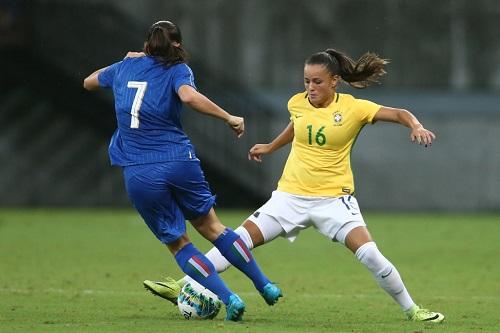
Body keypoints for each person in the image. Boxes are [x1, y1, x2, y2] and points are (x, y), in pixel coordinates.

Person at [143, 48, 445, 323]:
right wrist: (271, 147)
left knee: (370, 254)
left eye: (317, 82)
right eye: (306, 81)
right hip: (288, 198)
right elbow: (298, 125)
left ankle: (413, 310)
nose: (310, 88)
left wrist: (415, 126)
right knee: (237, 242)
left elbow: (399, 113)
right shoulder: (297, 102)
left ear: (335, 81)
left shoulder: (354, 108)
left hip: (333, 201)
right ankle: (182, 285)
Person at [82, 20, 282, 321]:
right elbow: (188, 96)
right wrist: (228, 117)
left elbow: (88, 82)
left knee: (179, 244)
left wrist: (127, 61)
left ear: (147, 44)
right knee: (214, 228)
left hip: (139, 170)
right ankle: (264, 284)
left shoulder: (123, 68)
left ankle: (230, 299)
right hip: (178, 161)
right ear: (177, 44)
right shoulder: (178, 70)